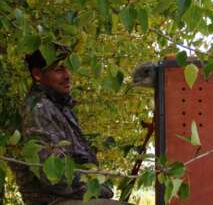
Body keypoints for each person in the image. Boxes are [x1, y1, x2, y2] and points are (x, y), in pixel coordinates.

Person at [12, 48, 130, 205]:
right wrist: (98, 189)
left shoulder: (59, 107)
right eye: (58, 69)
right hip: (53, 201)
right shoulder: (39, 108)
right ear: (38, 75)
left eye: (67, 68)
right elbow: (54, 178)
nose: (67, 75)